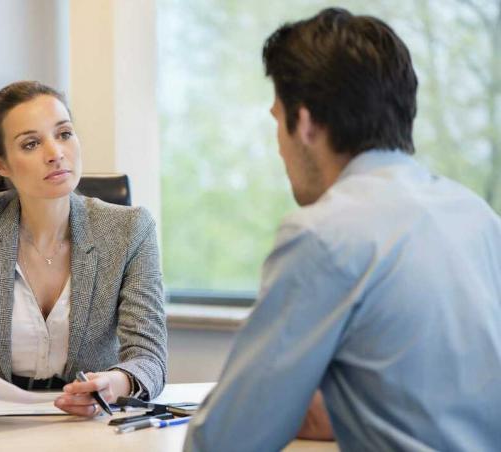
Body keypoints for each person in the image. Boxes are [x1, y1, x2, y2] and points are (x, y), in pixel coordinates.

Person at [184, 8, 501, 452]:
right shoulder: (476, 217)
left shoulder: (323, 235)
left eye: (277, 120)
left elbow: (225, 441)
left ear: (306, 123)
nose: (279, 145)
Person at [0, 81, 167, 416]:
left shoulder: (130, 229)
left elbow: (149, 356)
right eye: (31, 143)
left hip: (91, 424)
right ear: (1, 165)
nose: (55, 153)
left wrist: (113, 385)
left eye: (64, 134)